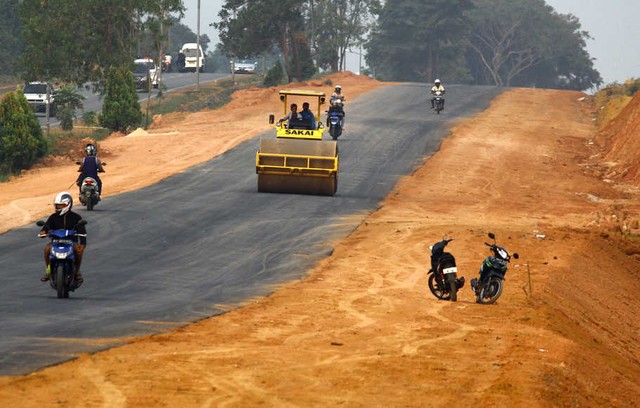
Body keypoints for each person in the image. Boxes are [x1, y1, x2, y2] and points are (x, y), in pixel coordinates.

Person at [39, 192, 87, 283]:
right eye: (57, 206)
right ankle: (48, 270)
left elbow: (82, 232)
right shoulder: (53, 217)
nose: (58, 208)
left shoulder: (76, 217)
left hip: (71, 242)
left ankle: (77, 271)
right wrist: (43, 231)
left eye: (61, 206)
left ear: (67, 205)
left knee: (79, 251)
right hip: (56, 242)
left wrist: (83, 244)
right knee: (47, 249)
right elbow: (46, 226)